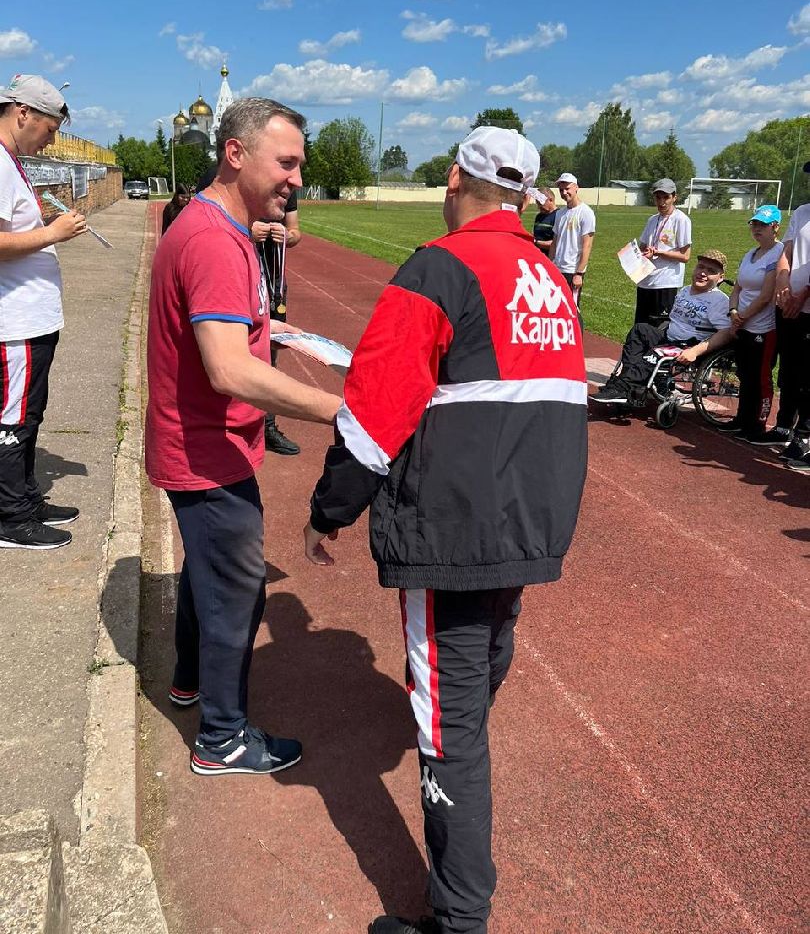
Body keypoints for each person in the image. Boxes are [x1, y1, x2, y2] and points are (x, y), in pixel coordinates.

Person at [303, 126, 588, 934]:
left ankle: (460, 919)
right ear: (527, 195)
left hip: (453, 530)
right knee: (482, 667)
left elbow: (373, 411)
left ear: (455, 177)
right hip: (525, 527)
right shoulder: (548, 278)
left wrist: (329, 509)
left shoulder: (439, 266)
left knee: (448, 727)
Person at [145, 97, 342, 775]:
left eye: (300, 166)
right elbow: (227, 368)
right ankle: (222, 738)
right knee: (237, 591)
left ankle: (189, 681)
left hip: (204, 446)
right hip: (204, 452)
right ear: (236, 153)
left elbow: (228, 332)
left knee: (210, 578)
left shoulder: (224, 228)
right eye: (286, 162)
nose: (297, 179)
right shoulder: (213, 239)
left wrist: (275, 329)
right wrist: (340, 412)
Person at [0, 74, 88, 550]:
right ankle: (10, 517)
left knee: (29, 416)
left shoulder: (10, 162)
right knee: (13, 420)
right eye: (50, 128)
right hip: (13, 324)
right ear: (23, 114)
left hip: (31, 321)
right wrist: (52, 235)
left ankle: (25, 499)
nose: (51, 139)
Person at [591, 249, 733, 405]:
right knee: (640, 330)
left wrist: (694, 351)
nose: (703, 273)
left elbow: (726, 333)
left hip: (688, 344)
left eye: (711, 271)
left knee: (654, 353)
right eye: (701, 267)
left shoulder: (719, 301)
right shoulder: (686, 290)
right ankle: (627, 387)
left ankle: (624, 387)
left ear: (720, 278)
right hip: (670, 337)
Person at [722, 206, 783, 442]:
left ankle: (758, 423)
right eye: (754, 224)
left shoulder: (777, 254)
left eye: (763, 225)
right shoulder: (750, 254)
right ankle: (742, 418)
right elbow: (737, 286)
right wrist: (733, 311)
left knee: (761, 377)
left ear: (775, 227)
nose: (757, 229)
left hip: (763, 328)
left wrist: (743, 316)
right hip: (743, 323)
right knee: (745, 375)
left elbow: (766, 295)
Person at [251, 192, 303, 455]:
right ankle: (231, 426)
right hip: (239, 280)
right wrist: (247, 230)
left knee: (270, 353)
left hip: (273, 286)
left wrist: (287, 235)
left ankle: (267, 427)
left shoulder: (286, 190)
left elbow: (296, 232)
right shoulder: (216, 177)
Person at [773, 170, 810, 473]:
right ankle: (785, 425)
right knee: (789, 370)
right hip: (789, 304)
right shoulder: (802, 211)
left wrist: (803, 296)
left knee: (809, 376)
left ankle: (806, 437)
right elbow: (786, 250)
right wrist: (784, 283)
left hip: (807, 307)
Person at [635, 178, 692, 324]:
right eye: (658, 197)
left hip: (665, 283)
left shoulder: (681, 220)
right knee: (640, 325)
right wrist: (637, 254)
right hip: (645, 281)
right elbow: (643, 245)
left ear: (674, 197)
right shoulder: (652, 220)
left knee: (658, 328)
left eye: (666, 197)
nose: (662, 202)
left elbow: (685, 256)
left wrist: (660, 253)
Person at [548, 172, 595, 320]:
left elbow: (587, 245)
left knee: (572, 312)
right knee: (554, 309)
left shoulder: (586, 213)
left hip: (572, 271)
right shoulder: (560, 214)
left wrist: (579, 273)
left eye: (567, 188)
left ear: (576, 188)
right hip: (557, 269)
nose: (564, 192)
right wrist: (549, 265)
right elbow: (555, 242)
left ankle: (576, 342)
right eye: (561, 190)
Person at [531, 185, 557, 252]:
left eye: (541, 203)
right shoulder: (539, 216)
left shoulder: (559, 216)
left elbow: (557, 244)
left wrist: (536, 242)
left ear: (551, 200)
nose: (539, 207)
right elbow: (534, 235)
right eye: (537, 203)